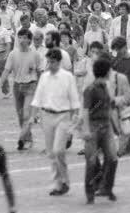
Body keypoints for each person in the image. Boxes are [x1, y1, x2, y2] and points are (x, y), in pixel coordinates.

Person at [28, 48, 79, 196]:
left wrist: (75, 118)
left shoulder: (68, 77)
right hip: (46, 116)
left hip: (63, 116)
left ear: (59, 62)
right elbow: (37, 98)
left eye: (53, 62)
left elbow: (74, 99)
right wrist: (33, 116)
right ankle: (58, 184)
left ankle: (65, 180)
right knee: (51, 153)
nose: (50, 65)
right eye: (48, 62)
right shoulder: (44, 77)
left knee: (59, 150)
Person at [80, 57, 117, 204]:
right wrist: (86, 130)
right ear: (105, 71)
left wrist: (115, 126)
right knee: (91, 161)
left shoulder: (105, 87)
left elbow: (109, 107)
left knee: (112, 158)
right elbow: (85, 111)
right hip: (94, 126)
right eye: (109, 70)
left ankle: (106, 187)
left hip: (106, 125)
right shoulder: (90, 89)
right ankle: (90, 192)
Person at [0, 28, 43, 150]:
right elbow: (7, 70)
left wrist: (40, 88)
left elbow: (40, 72)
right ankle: (27, 137)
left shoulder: (35, 54)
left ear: (29, 40)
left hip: (31, 86)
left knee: (26, 115)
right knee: (20, 116)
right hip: (17, 87)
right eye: (20, 37)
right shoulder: (13, 54)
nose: (21, 40)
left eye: (24, 37)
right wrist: (0, 83)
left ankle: (22, 139)